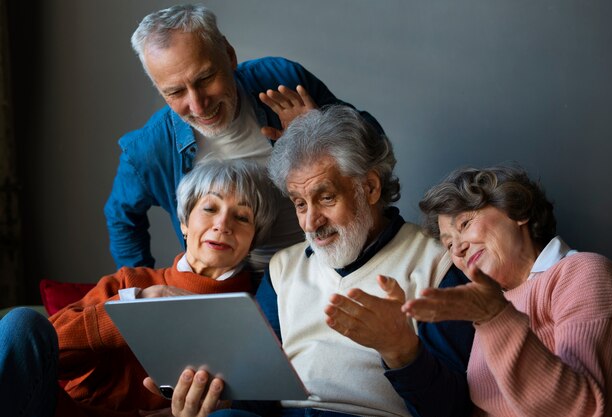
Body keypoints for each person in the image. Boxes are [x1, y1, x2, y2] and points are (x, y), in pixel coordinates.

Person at [155, 106, 475, 417]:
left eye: (325, 198)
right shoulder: (282, 269)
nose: (310, 222)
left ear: (370, 187)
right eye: (299, 203)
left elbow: (451, 409)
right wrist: (216, 402)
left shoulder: (437, 262)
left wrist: (401, 350)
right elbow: (259, 393)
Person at [104, 4, 383, 274]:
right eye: (175, 92)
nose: (199, 105)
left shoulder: (281, 79)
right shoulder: (149, 149)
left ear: (229, 54)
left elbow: (376, 144)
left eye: (205, 78)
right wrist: (138, 288)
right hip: (236, 284)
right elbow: (121, 218)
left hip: (327, 261)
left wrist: (321, 130)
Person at [0, 158, 278, 417]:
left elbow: (268, 396)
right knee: (20, 322)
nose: (222, 225)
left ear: (254, 239)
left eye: (242, 217)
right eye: (209, 208)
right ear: (184, 222)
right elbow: (45, 355)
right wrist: (132, 306)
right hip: (73, 411)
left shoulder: (259, 308)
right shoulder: (131, 282)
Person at [402, 165, 612, 416]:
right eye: (449, 244)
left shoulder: (583, 272)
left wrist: (495, 317)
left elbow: (583, 409)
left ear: (517, 210)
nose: (458, 250)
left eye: (465, 224)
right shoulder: (495, 304)